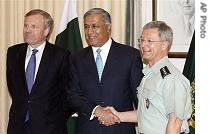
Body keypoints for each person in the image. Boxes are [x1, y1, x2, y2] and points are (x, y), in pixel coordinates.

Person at [105, 21, 192, 134]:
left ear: (164, 45)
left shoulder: (171, 78)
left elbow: (175, 122)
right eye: (142, 40)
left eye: (149, 41)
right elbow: (144, 114)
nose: (143, 45)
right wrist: (117, 115)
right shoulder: (149, 75)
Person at [66, 8, 143, 134]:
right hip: (87, 129)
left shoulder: (130, 56)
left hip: (120, 128)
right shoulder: (76, 58)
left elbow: (139, 97)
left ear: (108, 27)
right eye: (86, 27)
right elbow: (72, 96)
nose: (89, 32)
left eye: (95, 26)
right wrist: (96, 110)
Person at [6, 9, 70, 134]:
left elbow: (66, 93)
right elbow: (12, 86)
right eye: (26, 25)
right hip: (18, 125)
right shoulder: (13, 52)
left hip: (49, 127)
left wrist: (53, 116)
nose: (27, 30)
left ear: (46, 31)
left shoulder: (61, 55)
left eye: (33, 27)